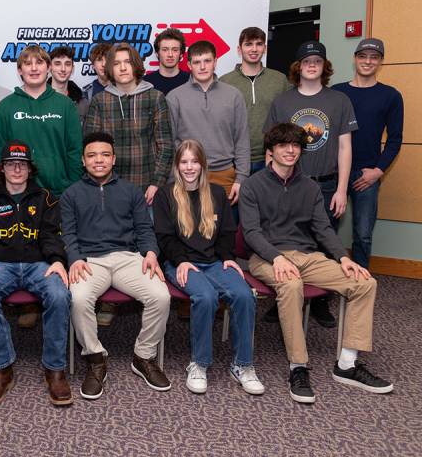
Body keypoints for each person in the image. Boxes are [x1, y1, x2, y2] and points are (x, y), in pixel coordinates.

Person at [240, 123, 393, 404]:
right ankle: (297, 367)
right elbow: (251, 233)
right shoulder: (253, 185)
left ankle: (347, 363)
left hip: (308, 256)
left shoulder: (309, 187)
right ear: (271, 151)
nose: (290, 150)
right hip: (266, 256)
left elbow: (323, 229)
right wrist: (277, 257)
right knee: (292, 284)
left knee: (364, 282)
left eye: (296, 145)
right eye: (284, 145)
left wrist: (345, 258)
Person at [61, 132, 171, 400]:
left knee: (161, 296)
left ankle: (143, 356)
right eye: (92, 155)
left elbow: (145, 229)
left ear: (114, 159)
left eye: (105, 154)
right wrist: (74, 258)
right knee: (78, 298)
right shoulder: (71, 194)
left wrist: (151, 253)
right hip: (90, 261)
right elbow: (68, 233)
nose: (99, 160)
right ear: (83, 161)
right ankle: (96, 359)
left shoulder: (131, 191)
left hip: (127, 258)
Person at [153, 140, 263, 395]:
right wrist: (181, 260)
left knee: (244, 295)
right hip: (180, 262)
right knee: (205, 296)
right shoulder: (165, 195)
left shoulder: (216, 193)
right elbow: (164, 237)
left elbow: (227, 231)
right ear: (177, 166)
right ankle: (199, 364)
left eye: (194, 161)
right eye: (184, 162)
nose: (189, 167)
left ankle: (243, 364)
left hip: (214, 261)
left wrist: (228, 257)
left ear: (203, 165)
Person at [264, 41, 358, 328]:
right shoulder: (283, 102)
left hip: (326, 184)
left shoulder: (339, 100)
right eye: (306, 61)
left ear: (324, 66)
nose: (312, 65)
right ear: (298, 67)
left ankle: (319, 302)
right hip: (288, 185)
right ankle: (284, 298)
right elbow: (270, 146)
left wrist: (342, 189)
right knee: (285, 241)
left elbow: (345, 147)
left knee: (322, 243)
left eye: (317, 61)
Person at [0, 140, 72, 407]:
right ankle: (2, 369)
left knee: (60, 294)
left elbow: (51, 236)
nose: (17, 169)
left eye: (22, 164)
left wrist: (58, 261)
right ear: (2, 169)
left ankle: (54, 369)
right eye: (11, 164)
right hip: (1, 266)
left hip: (38, 263)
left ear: (30, 169)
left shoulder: (46, 199)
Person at [332, 38, 404, 269]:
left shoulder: (391, 96)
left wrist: (377, 172)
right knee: (327, 231)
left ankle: (361, 284)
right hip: (334, 173)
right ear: (355, 59)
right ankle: (327, 284)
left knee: (363, 234)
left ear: (381, 62)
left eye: (374, 57)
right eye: (363, 56)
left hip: (367, 175)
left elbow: (394, 139)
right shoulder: (337, 92)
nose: (367, 61)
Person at [84, 42, 173, 205]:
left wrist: (156, 183)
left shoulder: (155, 97)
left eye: (128, 62)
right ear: (110, 68)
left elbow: (166, 145)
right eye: (116, 63)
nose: (123, 68)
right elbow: (91, 148)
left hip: (147, 190)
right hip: (109, 189)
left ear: (136, 65)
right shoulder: (99, 100)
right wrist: (99, 185)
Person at [0, 45, 83, 197]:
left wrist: (73, 189)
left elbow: (74, 151)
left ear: (48, 68)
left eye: (39, 63)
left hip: (59, 194)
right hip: (17, 195)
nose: (34, 68)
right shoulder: (5, 107)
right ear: (20, 70)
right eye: (27, 63)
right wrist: (3, 190)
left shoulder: (66, 105)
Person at [166, 40, 250, 206]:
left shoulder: (233, 95)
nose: (202, 67)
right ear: (189, 65)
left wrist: (241, 178)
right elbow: (170, 142)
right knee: (188, 229)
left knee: (224, 229)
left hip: (224, 174)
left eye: (207, 61)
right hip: (187, 175)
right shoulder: (174, 97)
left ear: (215, 62)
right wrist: (172, 179)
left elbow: (241, 138)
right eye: (197, 62)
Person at [220, 27, 291, 174]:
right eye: (248, 44)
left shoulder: (279, 80)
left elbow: (289, 117)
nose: (254, 49)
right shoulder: (224, 82)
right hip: (234, 160)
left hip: (271, 158)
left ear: (264, 48)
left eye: (259, 44)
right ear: (239, 49)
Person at [47, 45, 89, 123]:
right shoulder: (39, 99)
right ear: (50, 67)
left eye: (67, 64)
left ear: (72, 68)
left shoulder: (83, 102)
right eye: (57, 64)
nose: (63, 69)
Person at [143, 28, 190, 96]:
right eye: (165, 50)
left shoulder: (191, 81)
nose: (170, 55)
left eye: (175, 50)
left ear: (181, 54)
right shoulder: (145, 83)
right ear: (157, 53)